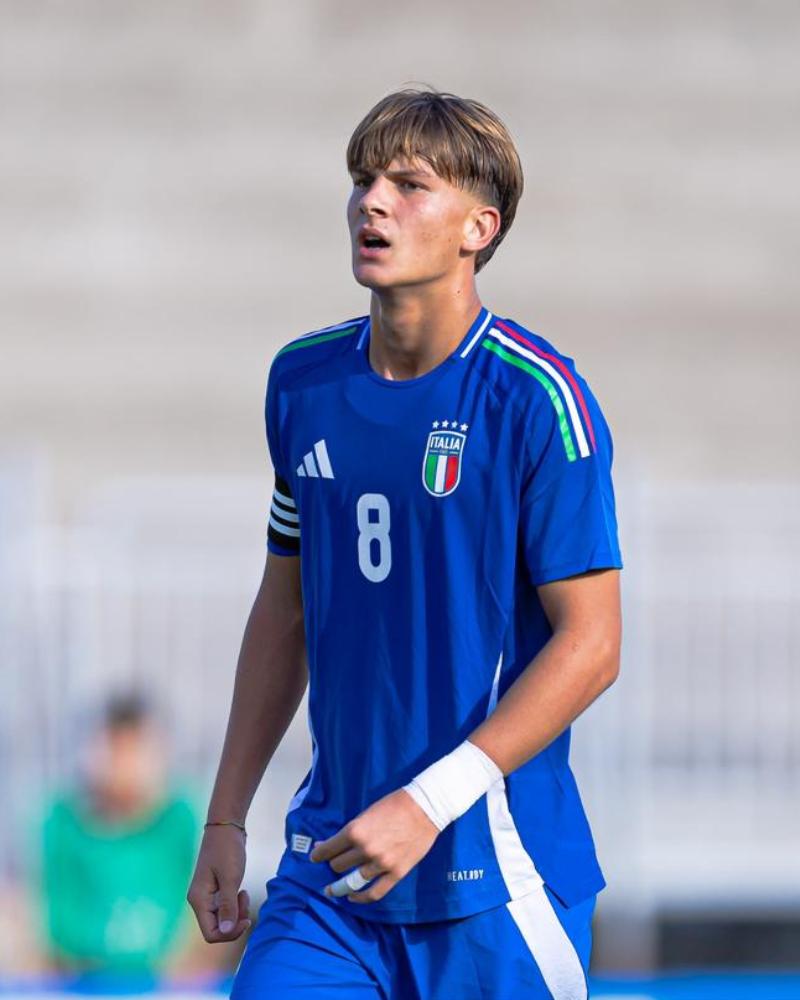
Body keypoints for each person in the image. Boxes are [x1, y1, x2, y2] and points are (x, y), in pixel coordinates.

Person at [187, 87, 623, 1000]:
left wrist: (429, 803)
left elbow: (591, 646)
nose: (371, 202)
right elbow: (286, 604)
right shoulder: (302, 381)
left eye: (409, 184)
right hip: (331, 876)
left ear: (479, 227)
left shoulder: (536, 399)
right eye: (363, 179)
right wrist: (224, 817)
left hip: (495, 880)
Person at [36, 691, 205, 987]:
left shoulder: (179, 820)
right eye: (115, 750)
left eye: (135, 750)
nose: (124, 765)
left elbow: (202, 924)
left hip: (166, 984)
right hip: (82, 983)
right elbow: (48, 924)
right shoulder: (63, 822)